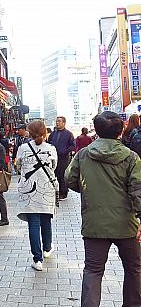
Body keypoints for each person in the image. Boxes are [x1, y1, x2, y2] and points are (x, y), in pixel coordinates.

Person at [66, 111, 141, 307]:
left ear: (97, 131)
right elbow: (138, 190)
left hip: (94, 223)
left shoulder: (83, 155)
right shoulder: (131, 157)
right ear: (121, 130)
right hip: (126, 224)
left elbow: (69, 179)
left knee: (93, 270)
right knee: (134, 268)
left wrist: (89, 190)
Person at [16, 120, 57, 271]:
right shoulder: (51, 149)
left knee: (33, 224)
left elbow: (18, 166)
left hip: (29, 190)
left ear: (29, 133)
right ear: (45, 132)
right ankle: (47, 248)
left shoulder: (23, 148)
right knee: (46, 219)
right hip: (46, 189)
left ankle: (37, 260)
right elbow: (54, 166)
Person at [47, 116, 75, 200]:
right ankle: (56, 191)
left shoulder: (68, 134)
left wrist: (65, 151)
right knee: (53, 174)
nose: (57, 123)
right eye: (56, 121)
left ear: (64, 123)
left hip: (63, 158)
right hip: (53, 157)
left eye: (59, 121)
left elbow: (73, 145)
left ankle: (64, 192)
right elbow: (49, 143)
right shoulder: (53, 134)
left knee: (62, 175)